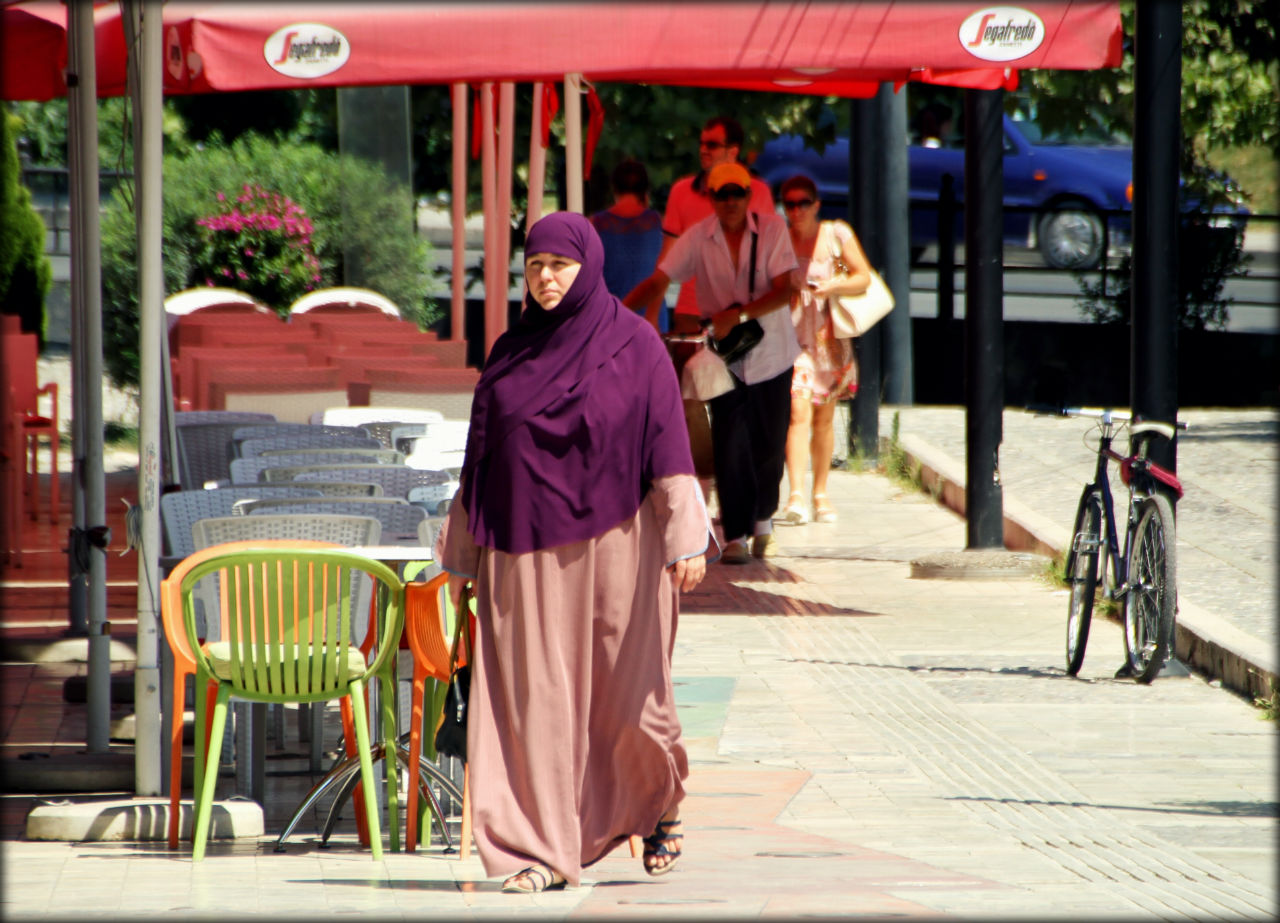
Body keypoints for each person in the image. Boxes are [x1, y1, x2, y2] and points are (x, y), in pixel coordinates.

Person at [434, 212, 713, 893]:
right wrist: (461, 558)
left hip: (620, 551)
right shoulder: (509, 353)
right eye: (536, 266)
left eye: (559, 265)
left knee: (633, 703)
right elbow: (481, 460)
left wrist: (686, 537)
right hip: (522, 555)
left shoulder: (637, 346)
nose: (547, 277)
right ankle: (534, 850)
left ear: (587, 266)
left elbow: (669, 448)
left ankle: (659, 799)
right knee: (532, 706)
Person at [625, 162, 798, 565]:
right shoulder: (698, 237)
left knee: (770, 445)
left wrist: (736, 316)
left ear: (748, 196)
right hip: (725, 357)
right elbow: (660, 279)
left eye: (737, 193)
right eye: (722, 194)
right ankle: (735, 533)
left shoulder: (772, 230)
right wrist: (617, 310)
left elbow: (785, 292)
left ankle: (762, 518)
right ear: (712, 199)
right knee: (730, 440)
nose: (731, 201)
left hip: (773, 353)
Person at [777, 175, 871, 525]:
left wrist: (834, 285)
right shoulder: (779, 238)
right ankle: (797, 495)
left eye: (803, 202)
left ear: (816, 205)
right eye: (789, 203)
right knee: (797, 413)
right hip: (792, 339)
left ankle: (821, 493)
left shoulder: (836, 234)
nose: (796, 210)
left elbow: (864, 277)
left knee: (824, 418)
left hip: (829, 339)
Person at [660, 115, 775, 328]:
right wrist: (652, 311)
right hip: (691, 313)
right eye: (701, 143)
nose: (703, 149)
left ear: (733, 151)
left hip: (741, 315)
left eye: (711, 145)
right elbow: (666, 260)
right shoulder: (681, 190)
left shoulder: (758, 192)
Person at [589, 159, 670, 331]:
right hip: (651, 320)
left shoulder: (594, 225)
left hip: (609, 320)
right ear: (645, 190)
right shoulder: (661, 224)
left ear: (614, 188)